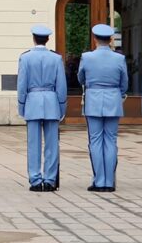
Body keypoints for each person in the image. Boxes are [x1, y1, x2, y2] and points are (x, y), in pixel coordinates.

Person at [77, 23, 129, 192]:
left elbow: (81, 78)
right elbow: (124, 83)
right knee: (111, 141)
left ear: (95, 39)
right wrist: (116, 93)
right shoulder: (119, 58)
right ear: (111, 40)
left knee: (95, 141)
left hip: (93, 99)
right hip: (113, 100)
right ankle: (109, 181)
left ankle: (99, 181)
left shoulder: (87, 57)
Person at [16, 24, 67, 192]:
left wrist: (21, 106)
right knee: (52, 144)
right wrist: (62, 107)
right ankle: (50, 179)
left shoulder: (26, 58)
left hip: (32, 101)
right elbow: (61, 86)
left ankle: (35, 180)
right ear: (48, 40)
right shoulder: (56, 58)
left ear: (33, 38)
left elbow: (22, 85)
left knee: (33, 144)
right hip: (51, 101)